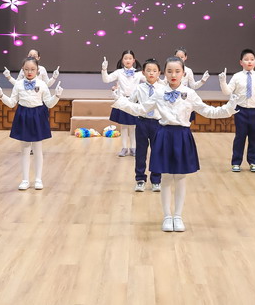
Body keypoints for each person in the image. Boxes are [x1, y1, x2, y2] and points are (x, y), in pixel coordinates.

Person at [112, 56, 238, 232]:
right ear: (164, 73)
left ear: (183, 73)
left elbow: (208, 111)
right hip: (164, 135)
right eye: (170, 71)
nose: (173, 75)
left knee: (180, 178)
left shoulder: (190, 93)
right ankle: (167, 216)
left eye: (177, 71)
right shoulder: (159, 93)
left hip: (182, 136)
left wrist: (229, 108)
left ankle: (178, 216)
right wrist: (121, 101)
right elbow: (141, 109)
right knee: (165, 177)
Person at [0, 57, 62, 191]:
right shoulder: (18, 84)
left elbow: (49, 103)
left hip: (38, 115)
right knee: (25, 149)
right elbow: (12, 103)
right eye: (26, 69)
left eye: (32, 69)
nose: (29, 72)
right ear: (22, 70)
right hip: (23, 115)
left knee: (37, 149)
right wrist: (1, 95)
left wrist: (57, 96)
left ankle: (38, 179)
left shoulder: (42, 84)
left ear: (38, 70)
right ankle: (25, 180)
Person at [219, 48, 255, 172]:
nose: (249, 62)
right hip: (240, 111)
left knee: (254, 137)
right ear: (241, 62)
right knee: (240, 137)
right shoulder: (237, 76)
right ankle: (236, 163)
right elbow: (227, 92)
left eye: (252, 59)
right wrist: (222, 81)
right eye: (246, 59)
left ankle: (253, 162)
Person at [130, 59, 164, 192]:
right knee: (141, 152)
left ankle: (156, 180)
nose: (151, 73)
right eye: (148, 70)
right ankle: (140, 179)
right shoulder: (139, 88)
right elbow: (130, 102)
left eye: (154, 71)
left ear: (159, 73)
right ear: (143, 72)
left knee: (157, 152)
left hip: (158, 123)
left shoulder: (163, 89)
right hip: (142, 122)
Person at [101, 50, 143, 157]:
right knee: (124, 126)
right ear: (122, 60)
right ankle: (124, 148)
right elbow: (106, 79)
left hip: (134, 102)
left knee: (133, 127)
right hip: (122, 101)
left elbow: (150, 79)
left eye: (130, 58)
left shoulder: (138, 73)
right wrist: (104, 69)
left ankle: (133, 148)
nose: (128, 60)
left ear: (134, 60)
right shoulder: (119, 72)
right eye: (125, 58)